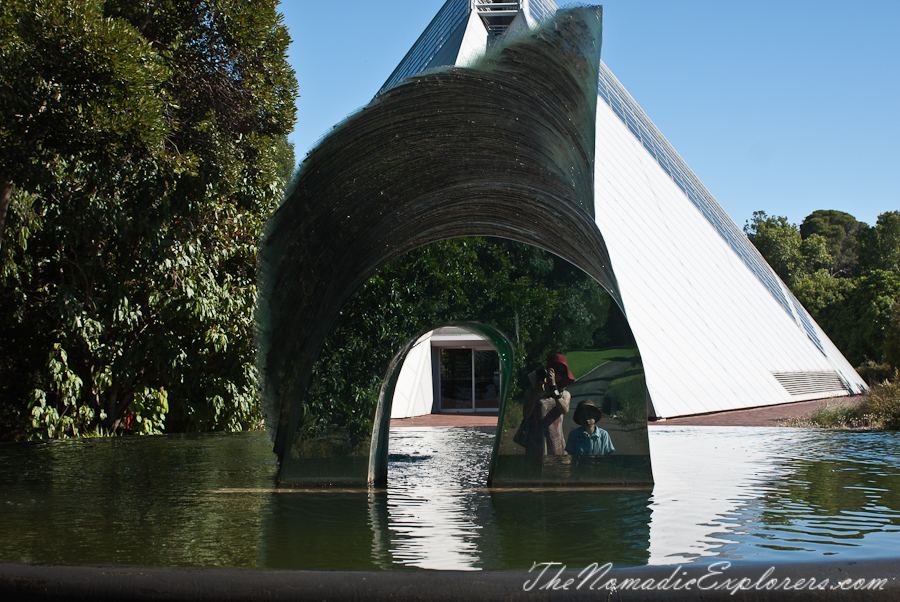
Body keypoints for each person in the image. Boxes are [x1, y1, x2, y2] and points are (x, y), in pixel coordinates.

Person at [522, 353, 574, 455]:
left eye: (561, 373)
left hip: (555, 443)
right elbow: (526, 414)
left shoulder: (564, 394)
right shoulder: (531, 391)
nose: (557, 374)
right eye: (555, 369)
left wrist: (554, 388)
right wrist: (536, 392)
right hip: (535, 442)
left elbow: (564, 410)